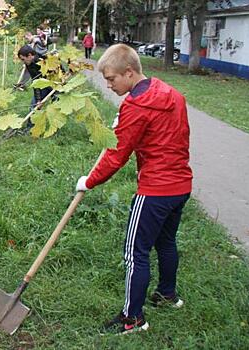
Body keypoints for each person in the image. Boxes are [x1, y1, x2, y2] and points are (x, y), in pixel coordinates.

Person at [75, 44, 193, 334]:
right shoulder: (172, 93)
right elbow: (172, 136)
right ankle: (167, 295)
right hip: (181, 185)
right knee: (166, 242)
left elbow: (117, 154)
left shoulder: (136, 106)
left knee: (134, 253)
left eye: (112, 79)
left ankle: (132, 319)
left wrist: (89, 181)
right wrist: (125, 124)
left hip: (156, 189)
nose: (109, 84)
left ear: (129, 73)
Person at [17, 45, 53, 111]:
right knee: (33, 108)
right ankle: (31, 121)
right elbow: (35, 81)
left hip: (55, 84)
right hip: (43, 86)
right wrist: (38, 100)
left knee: (57, 106)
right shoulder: (29, 64)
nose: (23, 62)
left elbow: (58, 68)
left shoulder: (43, 59)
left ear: (29, 55)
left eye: (23, 59)